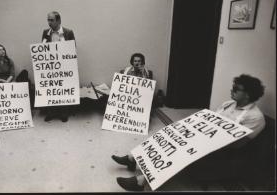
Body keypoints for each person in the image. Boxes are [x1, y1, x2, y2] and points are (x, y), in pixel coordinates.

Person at [112, 74, 265, 191]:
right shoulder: (228, 104)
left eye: (236, 89)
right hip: (204, 139)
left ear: (248, 94)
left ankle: (141, 181)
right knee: (167, 135)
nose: (232, 90)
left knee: (176, 150)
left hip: (223, 149)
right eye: (233, 87)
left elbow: (239, 144)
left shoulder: (255, 117)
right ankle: (133, 158)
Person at [41, 11, 75, 122]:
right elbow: (42, 48)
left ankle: (64, 113)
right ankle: (51, 112)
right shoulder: (46, 32)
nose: (49, 22)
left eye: (52, 20)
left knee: (63, 89)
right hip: (50, 66)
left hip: (64, 66)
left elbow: (73, 48)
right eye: (48, 20)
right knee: (51, 89)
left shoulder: (68, 32)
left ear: (58, 20)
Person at [0, 44, 35, 108]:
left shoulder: (9, 61)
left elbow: (12, 74)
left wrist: (7, 82)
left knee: (24, 73)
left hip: (9, 81)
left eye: (3, 49)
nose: (2, 51)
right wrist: (3, 81)